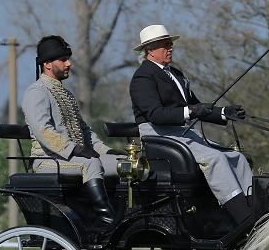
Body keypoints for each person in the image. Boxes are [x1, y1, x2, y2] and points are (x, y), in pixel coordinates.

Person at [129, 24, 253, 224]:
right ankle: (244, 220)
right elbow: (155, 114)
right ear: (150, 51)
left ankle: (252, 207)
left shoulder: (175, 74)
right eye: (165, 46)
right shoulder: (143, 77)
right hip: (159, 136)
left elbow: (195, 106)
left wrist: (224, 113)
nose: (170, 49)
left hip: (182, 133)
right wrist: (191, 111)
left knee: (236, 157)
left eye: (170, 45)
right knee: (215, 159)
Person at [21, 35, 126, 226]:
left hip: (75, 157)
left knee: (126, 165)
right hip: (48, 161)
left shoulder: (66, 94)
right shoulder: (36, 92)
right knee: (91, 164)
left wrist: (106, 151)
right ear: (47, 64)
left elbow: (85, 131)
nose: (69, 63)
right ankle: (106, 222)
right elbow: (43, 131)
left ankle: (126, 216)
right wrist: (74, 149)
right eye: (63, 60)